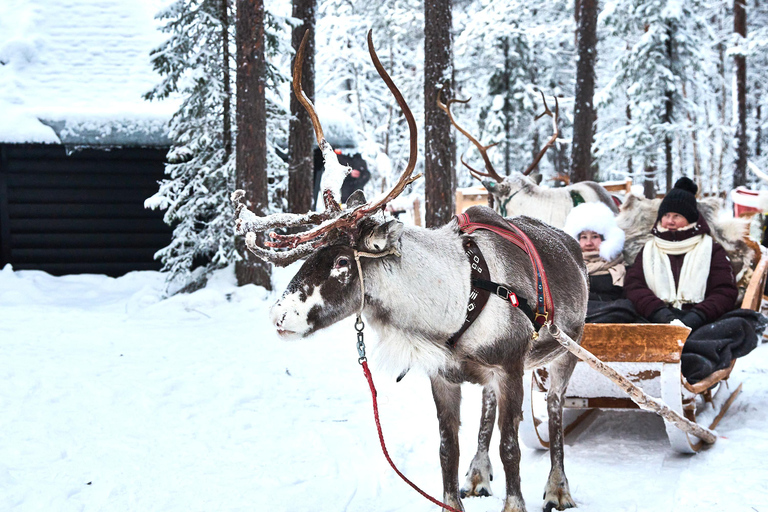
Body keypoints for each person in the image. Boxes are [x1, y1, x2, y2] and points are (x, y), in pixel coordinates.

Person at [624, 177, 738, 329]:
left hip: (702, 322)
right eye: (666, 215)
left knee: (737, 326)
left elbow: (724, 291)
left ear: (690, 219)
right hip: (655, 319)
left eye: (677, 216)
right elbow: (634, 286)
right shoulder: (648, 249)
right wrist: (660, 313)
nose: (670, 221)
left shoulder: (712, 249)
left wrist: (697, 316)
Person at [563, 202, 626, 302]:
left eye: (595, 237)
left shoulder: (621, 268)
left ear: (606, 239)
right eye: (584, 237)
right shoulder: (568, 268)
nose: (588, 243)